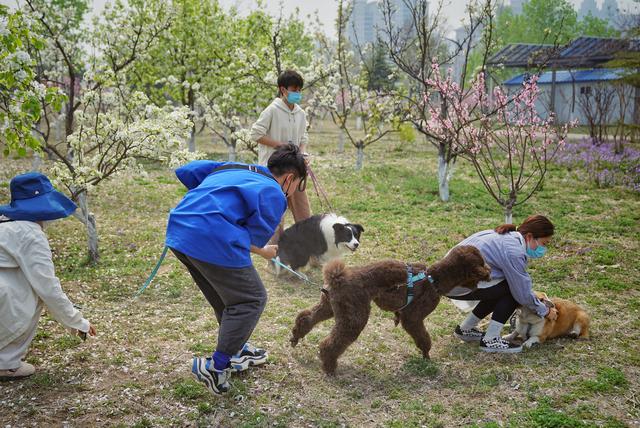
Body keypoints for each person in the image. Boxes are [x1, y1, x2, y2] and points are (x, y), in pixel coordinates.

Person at [165, 144, 307, 395]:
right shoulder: (274, 193)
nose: (294, 192)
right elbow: (250, 238)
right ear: (289, 178)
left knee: (230, 298)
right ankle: (216, 367)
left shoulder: (238, 167)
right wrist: (264, 251)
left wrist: (208, 200)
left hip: (180, 229)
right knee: (252, 299)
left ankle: (237, 349)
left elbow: (188, 170)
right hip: (210, 238)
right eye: (298, 186)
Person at [0, 172, 96, 380]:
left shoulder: (5, 222)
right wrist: (77, 321)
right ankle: (6, 362)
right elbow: (47, 287)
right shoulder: (30, 234)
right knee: (30, 293)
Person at [447, 215, 558, 354]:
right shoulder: (514, 251)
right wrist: (545, 310)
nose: (543, 249)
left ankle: (465, 329)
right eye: (544, 243)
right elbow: (522, 293)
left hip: (448, 280)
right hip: (457, 285)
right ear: (530, 236)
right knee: (512, 289)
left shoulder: (506, 236)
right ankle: (491, 340)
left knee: (505, 286)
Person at [250, 69, 311, 243]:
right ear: (283, 90)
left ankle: (312, 254)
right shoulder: (272, 110)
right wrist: (280, 146)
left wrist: (303, 152)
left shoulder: (300, 113)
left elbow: (303, 137)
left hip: (296, 170)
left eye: (299, 90)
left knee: (304, 213)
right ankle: (276, 259)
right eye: (294, 90)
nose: (297, 93)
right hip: (274, 173)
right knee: (276, 216)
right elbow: (255, 134)